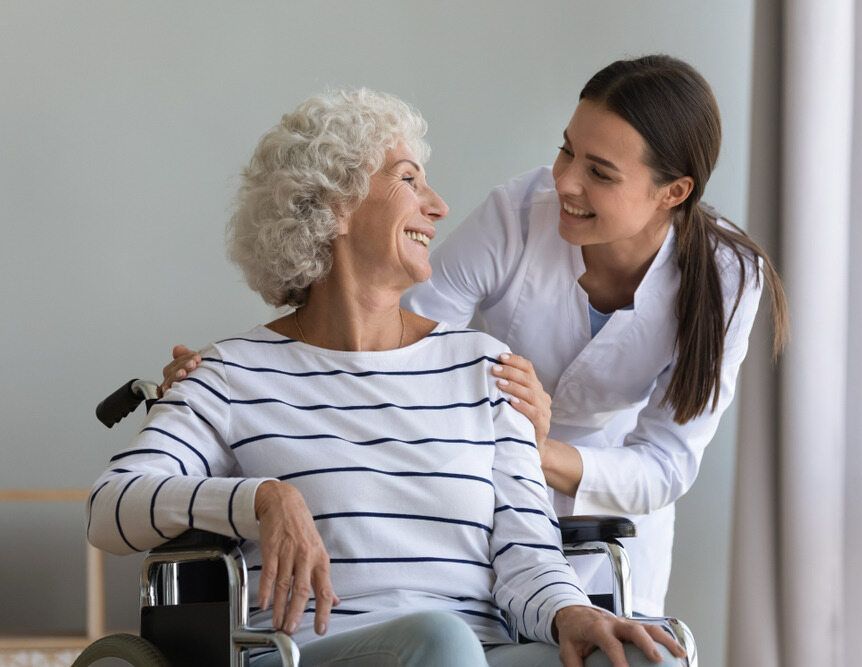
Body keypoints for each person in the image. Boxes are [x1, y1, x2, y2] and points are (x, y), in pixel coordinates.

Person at [162, 55, 789, 617]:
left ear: (671, 193)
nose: (565, 182)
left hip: (598, 499)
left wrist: (528, 446)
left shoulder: (729, 279)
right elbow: (395, 336)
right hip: (478, 490)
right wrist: (224, 388)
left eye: (599, 172)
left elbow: (666, 463)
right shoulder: (520, 213)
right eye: (566, 150)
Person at [88, 89, 685, 666]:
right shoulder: (229, 373)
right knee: (440, 644)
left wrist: (571, 614)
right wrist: (261, 499)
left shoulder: (484, 368)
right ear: (332, 205)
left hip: (484, 647)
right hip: (318, 652)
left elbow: (527, 554)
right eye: (408, 179)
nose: (439, 205)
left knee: (640, 657)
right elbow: (109, 507)